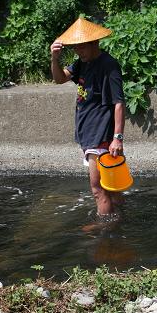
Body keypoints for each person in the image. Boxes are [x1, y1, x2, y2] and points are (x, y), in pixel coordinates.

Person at [50, 17, 126, 216]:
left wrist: (117, 138)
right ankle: (121, 219)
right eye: (75, 48)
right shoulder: (82, 63)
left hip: (100, 136)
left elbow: (119, 102)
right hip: (88, 133)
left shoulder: (109, 65)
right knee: (111, 187)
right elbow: (59, 79)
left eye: (81, 47)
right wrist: (54, 59)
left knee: (97, 189)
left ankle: (105, 232)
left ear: (95, 43)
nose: (78, 51)